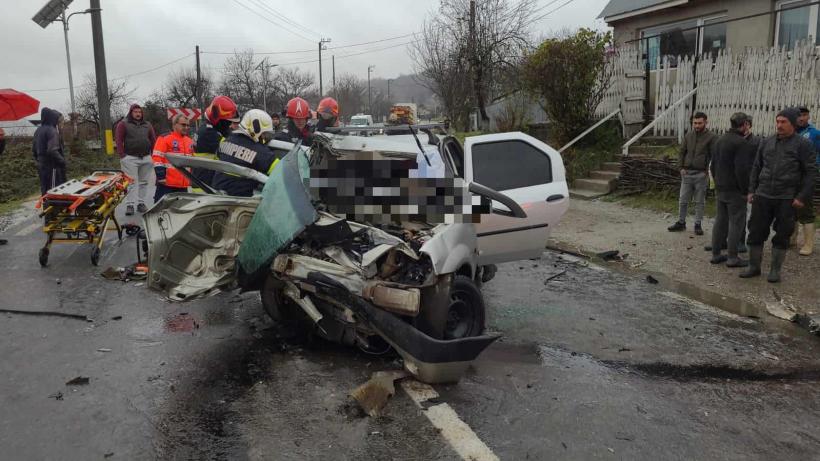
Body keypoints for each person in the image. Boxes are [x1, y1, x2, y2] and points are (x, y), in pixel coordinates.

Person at [741, 108, 816, 283]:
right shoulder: (766, 142)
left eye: (783, 122)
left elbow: (811, 173)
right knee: (755, 232)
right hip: (763, 195)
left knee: (782, 235)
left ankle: (775, 270)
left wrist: (802, 196)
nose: (779, 125)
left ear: (792, 123)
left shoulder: (803, 145)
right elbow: (756, 167)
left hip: (786, 197)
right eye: (778, 121)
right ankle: (754, 266)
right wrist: (752, 190)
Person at [709, 113, 756, 268]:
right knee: (736, 222)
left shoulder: (719, 140)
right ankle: (732, 257)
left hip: (721, 186)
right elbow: (741, 170)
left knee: (720, 220)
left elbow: (713, 165)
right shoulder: (741, 143)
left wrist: (717, 182)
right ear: (743, 125)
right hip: (735, 189)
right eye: (747, 124)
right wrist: (745, 190)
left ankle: (716, 254)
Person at [211, 109, 280, 197]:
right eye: (264, 133)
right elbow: (280, 172)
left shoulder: (226, 141)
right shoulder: (260, 152)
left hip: (215, 194)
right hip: (240, 201)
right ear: (256, 129)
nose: (264, 137)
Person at [668, 112, 717, 235]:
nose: (697, 125)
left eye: (700, 123)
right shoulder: (688, 135)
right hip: (687, 173)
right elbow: (681, 152)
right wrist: (680, 168)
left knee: (699, 201)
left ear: (706, 122)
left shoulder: (712, 137)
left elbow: (714, 155)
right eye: (695, 123)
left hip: (701, 174)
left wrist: (707, 171)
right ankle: (681, 222)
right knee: (683, 200)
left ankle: (697, 224)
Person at [115, 104, 157, 215]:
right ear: (131, 112)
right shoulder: (123, 124)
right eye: (135, 112)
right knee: (130, 183)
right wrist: (122, 155)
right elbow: (118, 140)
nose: (138, 114)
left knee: (144, 182)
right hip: (130, 158)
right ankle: (130, 205)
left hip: (146, 158)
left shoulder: (147, 125)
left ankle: (141, 203)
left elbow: (153, 140)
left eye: (140, 112)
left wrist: (153, 155)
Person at [192, 96, 240, 189]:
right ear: (218, 120)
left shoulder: (208, 128)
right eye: (227, 122)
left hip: (205, 181)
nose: (229, 125)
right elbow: (231, 146)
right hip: (205, 186)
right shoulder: (208, 133)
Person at [793, 106, 820, 255]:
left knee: (805, 208)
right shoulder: (790, 133)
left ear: (808, 117)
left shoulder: (814, 134)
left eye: (804, 115)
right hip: (790, 177)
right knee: (789, 208)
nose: (801, 118)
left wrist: (816, 167)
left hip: (806, 177)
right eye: (799, 115)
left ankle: (808, 244)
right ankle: (791, 238)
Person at [152, 114, 194, 202]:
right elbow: (157, 158)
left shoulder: (189, 141)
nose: (186, 127)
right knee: (161, 211)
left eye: (187, 125)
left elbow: (192, 162)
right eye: (183, 125)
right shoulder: (164, 138)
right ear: (174, 125)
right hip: (167, 184)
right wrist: (161, 177)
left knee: (180, 212)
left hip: (183, 185)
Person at [32, 107, 67, 196]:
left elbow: (34, 150)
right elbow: (52, 150)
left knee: (45, 190)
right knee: (55, 191)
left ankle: (46, 207)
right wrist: (62, 161)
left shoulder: (38, 130)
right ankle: (56, 209)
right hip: (52, 166)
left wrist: (39, 161)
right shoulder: (52, 131)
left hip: (41, 166)